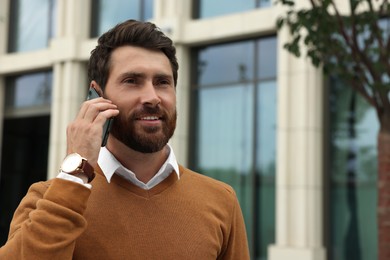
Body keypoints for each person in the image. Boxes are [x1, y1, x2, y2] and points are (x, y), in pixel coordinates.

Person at [0, 20, 250, 259]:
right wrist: (76, 172)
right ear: (96, 95)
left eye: (163, 82)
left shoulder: (221, 200)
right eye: (132, 81)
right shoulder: (48, 199)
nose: (152, 97)